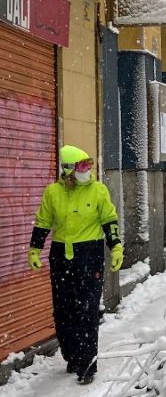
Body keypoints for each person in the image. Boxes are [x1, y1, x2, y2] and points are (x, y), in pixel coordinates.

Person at [27, 145, 123, 385]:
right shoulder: (53, 193)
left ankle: (88, 363)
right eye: (82, 166)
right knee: (63, 312)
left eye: (89, 165)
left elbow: (109, 220)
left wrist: (116, 246)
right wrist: (35, 248)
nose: (87, 170)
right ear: (68, 169)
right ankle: (72, 354)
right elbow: (43, 221)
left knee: (87, 311)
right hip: (61, 257)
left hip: (90, 256)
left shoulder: (98, 191)